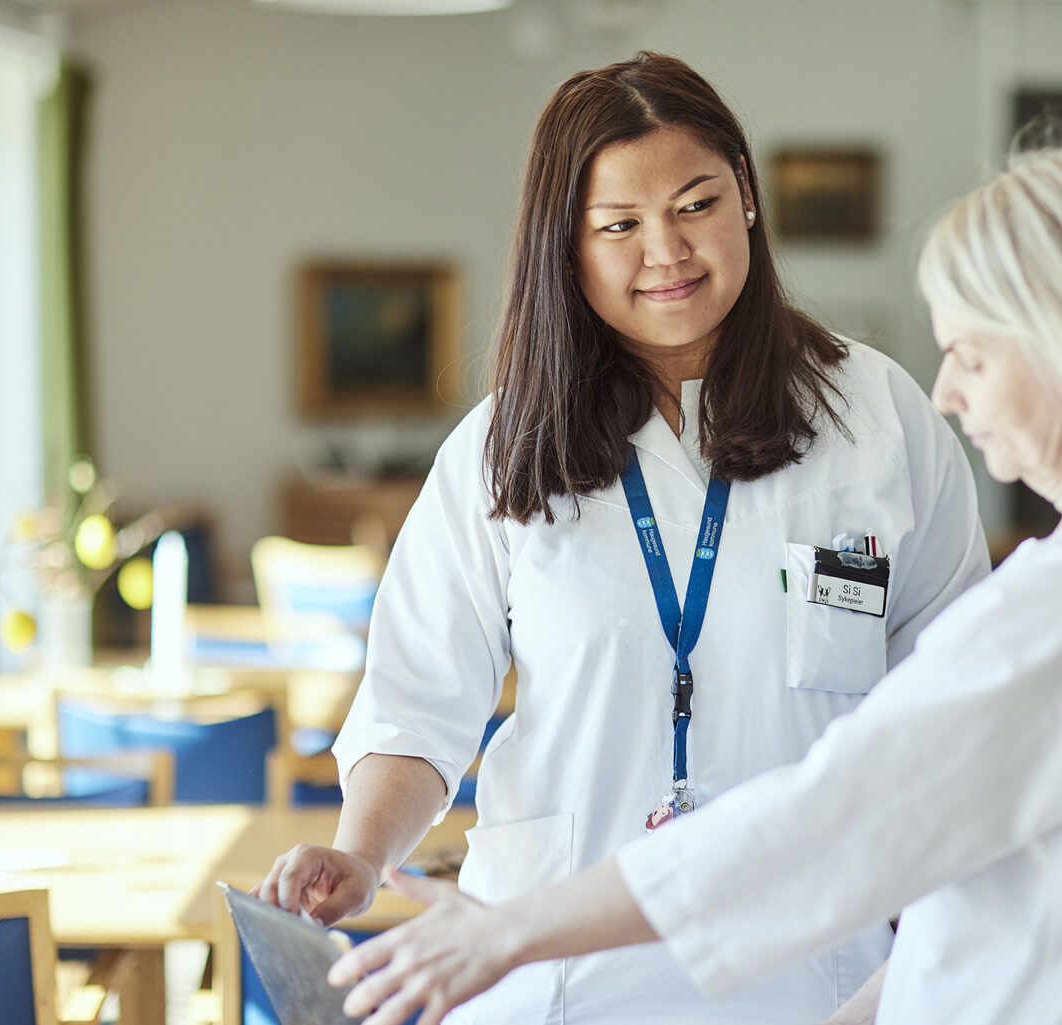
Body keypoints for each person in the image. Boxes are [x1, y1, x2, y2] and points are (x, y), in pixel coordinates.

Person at [322, 134, 1062, 1025]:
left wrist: (509, 929)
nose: (951, 393)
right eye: (619, 224)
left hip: (788, 950)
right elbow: (968, 865)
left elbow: (848, 817)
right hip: (589, 986)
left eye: (969, 352)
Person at [256, 51, 989, 1025]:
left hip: (810, 970)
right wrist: (360, 853)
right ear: (568, 244)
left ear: (748, 199)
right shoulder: (501, 447)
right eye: (620, 225)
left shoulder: (878, 419)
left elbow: (956, 704)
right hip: (548, 973)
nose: (668, 251)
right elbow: (416, 706)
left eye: (697, 204)